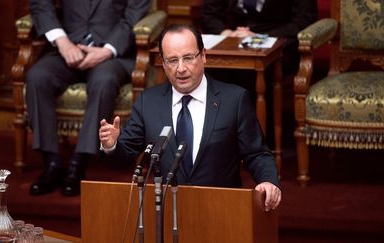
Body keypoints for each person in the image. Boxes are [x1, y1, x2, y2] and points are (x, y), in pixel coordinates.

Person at [99, 24, 281, 211]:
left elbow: (257, 153)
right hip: (167, 212)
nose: (181, 68)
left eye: (188, 58)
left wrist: (268, 181)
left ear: (203, 56)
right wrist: (111, 145)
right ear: (163, 63)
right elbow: (124, 156)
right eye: (172, 60)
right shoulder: (148, 102)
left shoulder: (234, 99)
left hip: (221, 210)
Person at [26, 0, 151, 196]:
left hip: (112, 54)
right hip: (65, 47)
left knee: (104, 81)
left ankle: (79, 162)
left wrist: (107, 51)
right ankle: (51, 162)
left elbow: (134, 13)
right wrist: (63, 42)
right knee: (37, 77)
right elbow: (40, 3)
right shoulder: (63, 44)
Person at [202, 0, 318, 76]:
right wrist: (226, 33)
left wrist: (259, 37)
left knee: (250, 72)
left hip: (279, 42)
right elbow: (210, 14)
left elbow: (304, 20)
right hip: (233, 37)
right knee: (207, 67)